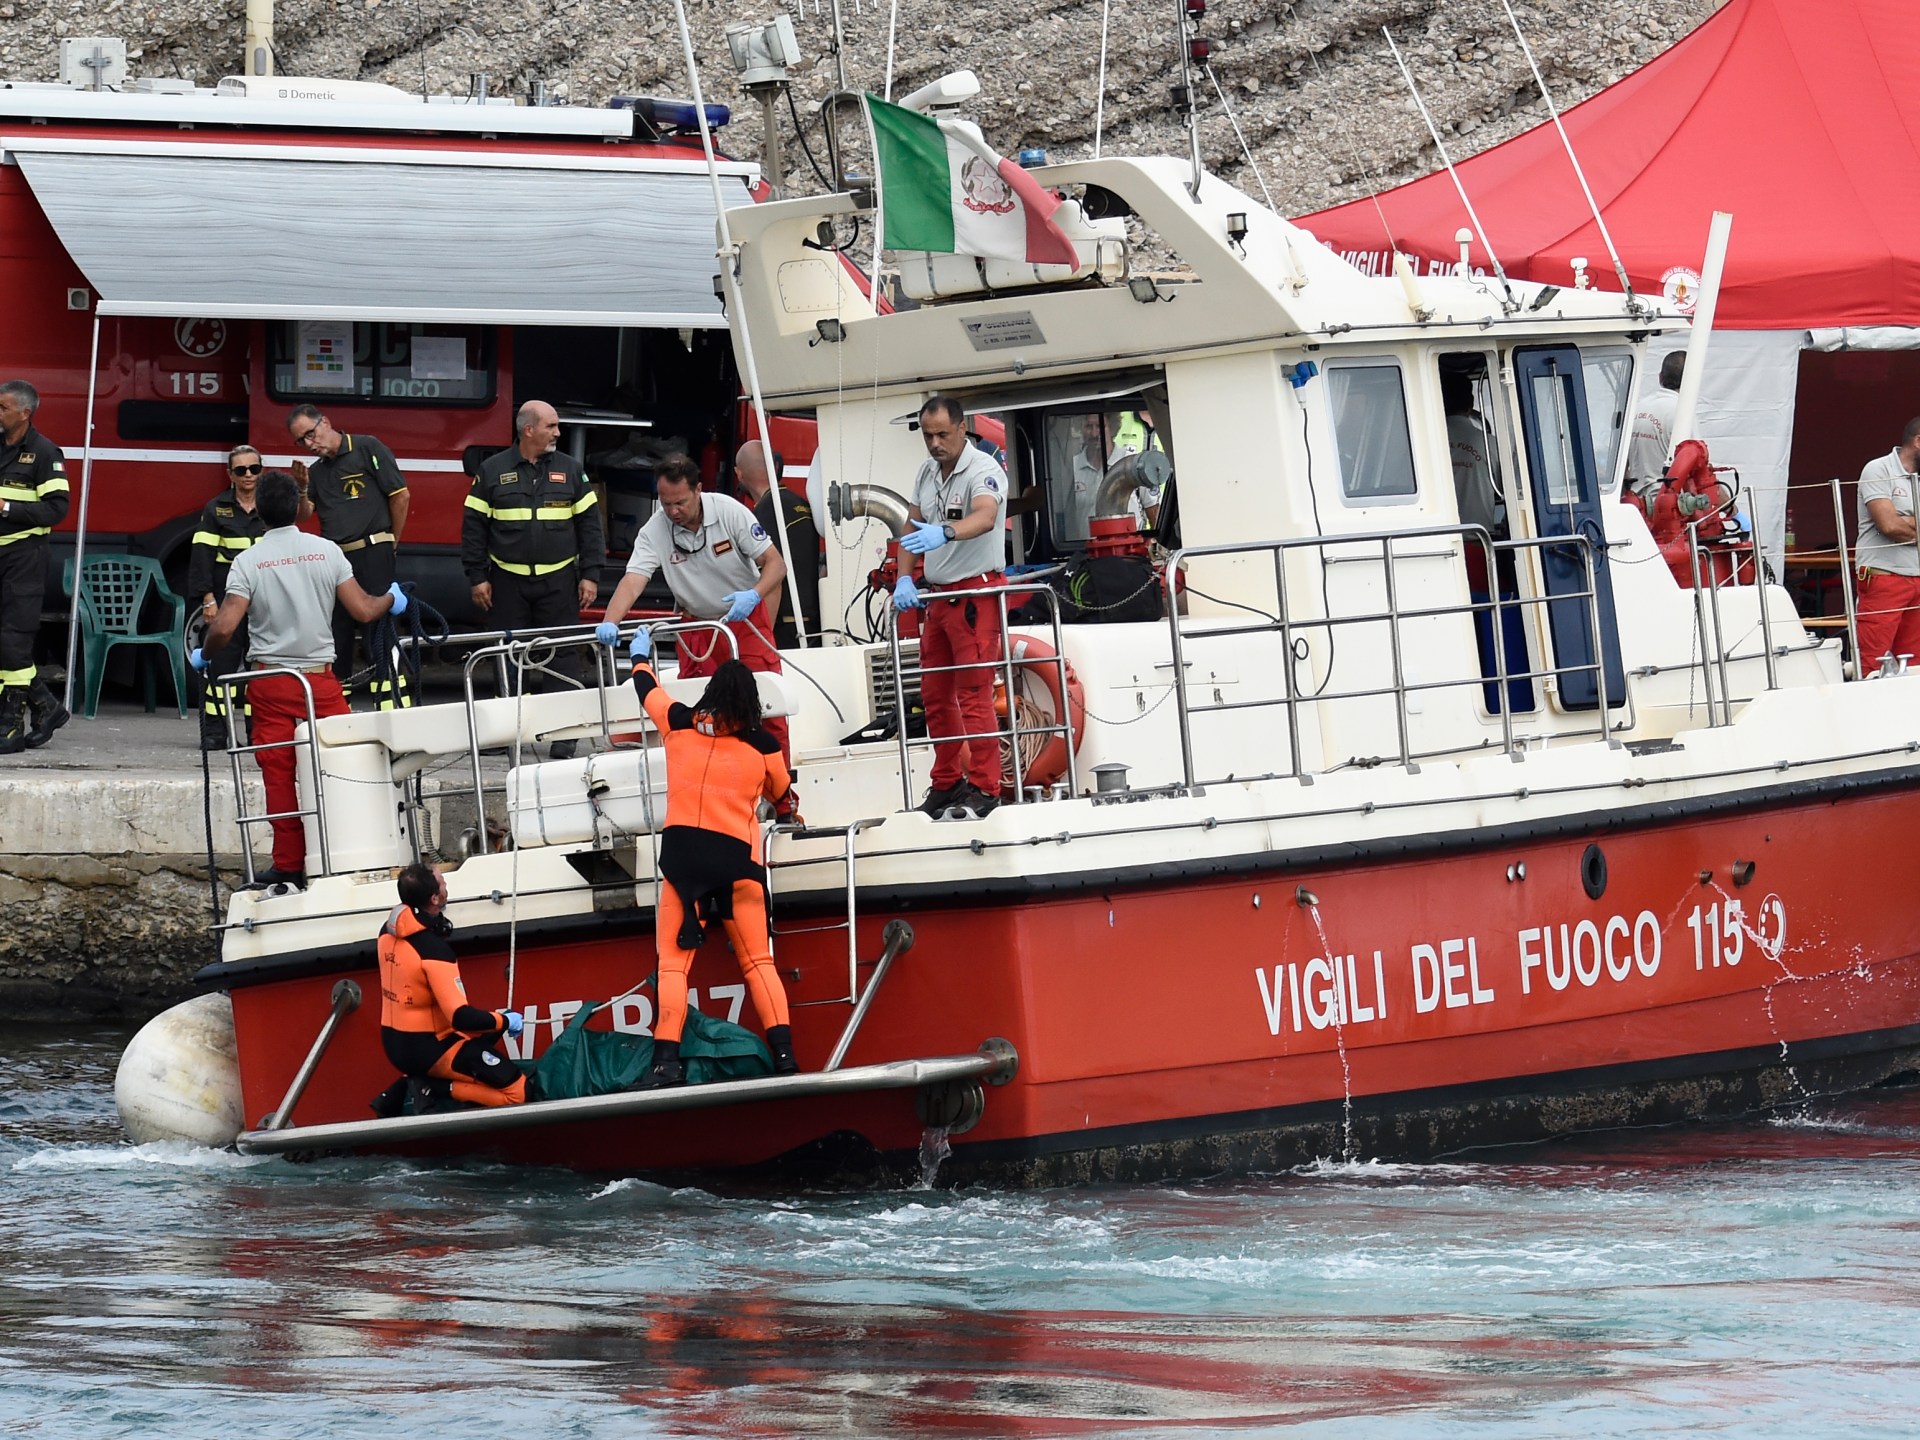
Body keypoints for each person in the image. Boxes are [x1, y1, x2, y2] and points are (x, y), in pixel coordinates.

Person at [192, 471, 404, 888]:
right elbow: (362, 610)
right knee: (346, 765)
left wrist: (205, 655)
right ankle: (354, 853)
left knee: (278, 771)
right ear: (298, 508)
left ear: (262, 516)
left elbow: (224, 627)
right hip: (320, 683)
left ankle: (289, 864)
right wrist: (394, 599)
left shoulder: (248, 561)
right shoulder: (327, 552)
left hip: (269, 681)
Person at [624, 630, 798, 1086]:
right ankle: (784, 1057)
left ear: (710, 694)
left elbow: (647, 690)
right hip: (738, 865)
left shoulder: (679, 723)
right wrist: (785, 809)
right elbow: (782, 794)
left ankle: (665, 1063)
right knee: (759, 963)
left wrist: (640, 654)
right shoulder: (764, 747)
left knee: (672, 966)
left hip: (683, 866)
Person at [596, 453, 790, 758]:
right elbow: (633, 580)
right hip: (697, 629)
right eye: (665, 502)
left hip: (745, 622)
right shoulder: (654, 530)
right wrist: (611, 620)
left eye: (681, 502)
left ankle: (781, 792)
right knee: (699, 710)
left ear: (698, 490)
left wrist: (753, 594)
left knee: (765, 706)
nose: (673, 511)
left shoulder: (729, 512)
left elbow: (776, 565)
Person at [462, 400, 606, 758]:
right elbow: (473, 528)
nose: (558, 432)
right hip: (507, 582)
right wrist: (477, 576)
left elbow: (590, 527)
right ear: (528, 430)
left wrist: (590, 575)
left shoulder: (572, 471)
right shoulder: (492, 471)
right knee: (505, 656)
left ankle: (563, 733)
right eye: (551, 426)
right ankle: (505, 731)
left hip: (558, 581)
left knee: (563, 657)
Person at [895, 394, 1009, 817]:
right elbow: (909, 525)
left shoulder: (984, 469)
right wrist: (905, 574)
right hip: (939, 598)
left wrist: (946, 532)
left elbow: (985, 515)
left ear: (964, 429)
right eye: (928, 435)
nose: (935, 443)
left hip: (975, 596)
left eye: (943, 433)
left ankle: (986, 786)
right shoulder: (927, 472)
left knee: (975, 695)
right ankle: (946, 781)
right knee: (935, 695)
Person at [285, 405, 411, 708]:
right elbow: (303, 516)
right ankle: (341, 716)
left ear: (326, 422)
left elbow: (401, 496)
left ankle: (395, 714)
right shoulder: (316, 473)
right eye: (301, 441)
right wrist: (301, 489)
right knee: (337, 639)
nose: (309, 444)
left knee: (379, 635)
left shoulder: (367, 447)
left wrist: (390, 543)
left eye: (311, 434)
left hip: (373, 550)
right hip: (335, 561)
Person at [377, 862, 526, 1109]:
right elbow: (461, 1018)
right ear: (435, 898)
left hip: (395, 1043)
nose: (447, 884)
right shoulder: (434, 951)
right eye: (443, 882)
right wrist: (505, 1021)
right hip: (429, 1051)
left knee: (481, 1042)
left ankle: (429, 1083)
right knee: (518, 1092)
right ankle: (436, 1088)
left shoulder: (387, 932)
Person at [0, 380, 70, 754]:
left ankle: (10, 727)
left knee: (13, 641)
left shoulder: (44, 453)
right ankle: (47, 705)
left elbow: (57, 509)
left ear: (25, 413)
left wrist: (7, 509)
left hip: (24, 557)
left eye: (3, 408)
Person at [186, 445, 267, 748]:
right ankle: (214, 734)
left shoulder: (271, 507)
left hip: (264, 601)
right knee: (220, 667)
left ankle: (258, 734)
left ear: (262, 470)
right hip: (227, 597)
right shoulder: (215, 508)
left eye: (254, 469)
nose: (248, 475)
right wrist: (208, 599)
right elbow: (201, 557)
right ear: (230, 474)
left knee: (260, 669)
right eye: (241, 470)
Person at [734, 439, 820, 648]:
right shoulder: (800, 504)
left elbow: (772, 576)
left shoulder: (765, 512)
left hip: (786, 627)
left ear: (739, 474)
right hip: (812, 621)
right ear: (776, 467)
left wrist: (764, 639)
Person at [1852, 418, 1920, 677]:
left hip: (1916, 576)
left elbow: (1895, 524)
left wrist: (1908, 522)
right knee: (1874, 660)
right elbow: (1889, 526)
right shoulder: (1877, 469)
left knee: (1914, 665)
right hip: (1884, 575)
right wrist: (1900, 522)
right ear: (1918, 441)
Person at [1627, 351, 1685, 505]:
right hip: (1668, 508)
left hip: (1636, 506)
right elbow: (1698, 468)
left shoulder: (1638, 408)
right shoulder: (1681, 412)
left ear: (1660, 377)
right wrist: (1733, 512)